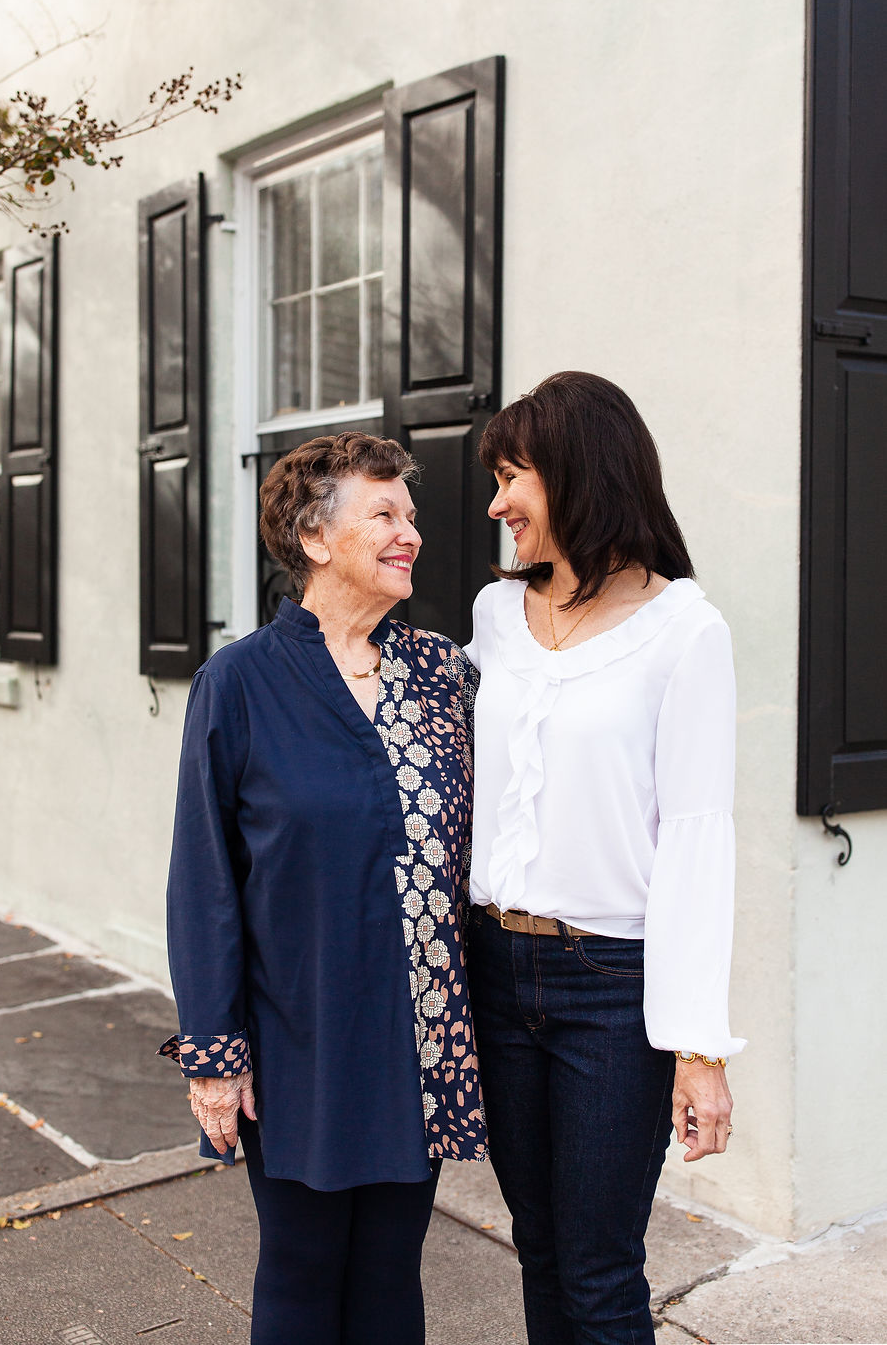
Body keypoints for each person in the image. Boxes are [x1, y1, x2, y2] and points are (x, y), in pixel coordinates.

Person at [158, 431, 486, 1345]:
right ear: (313, 536)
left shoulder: (443, 675)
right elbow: (204, 883)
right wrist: (213, 1056)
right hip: (299, 1032)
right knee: (303, 1273)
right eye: (382, 513)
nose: (408, 533)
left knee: (391, 1274)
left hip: (420, 1034)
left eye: (411, 515)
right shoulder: (240, 682)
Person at [463, 371, 744, 1345]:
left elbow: (697, 845)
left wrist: (696, 1049)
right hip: (492, 969)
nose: (495, 502)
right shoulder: (494, 619)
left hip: (607, 991)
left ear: (579, 474)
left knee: (596, 1273)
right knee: (535, 1247)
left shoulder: (683, 634)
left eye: (511, 475)